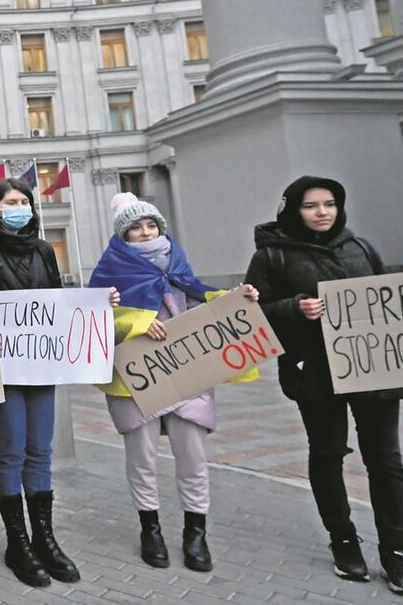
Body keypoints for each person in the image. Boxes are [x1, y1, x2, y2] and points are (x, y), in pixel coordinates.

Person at [244, 176, 403, 598]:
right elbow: (253, 315)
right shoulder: (271, 255)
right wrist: (295, 308)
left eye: (329, 204)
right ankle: (344, 541)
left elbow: (388, 302)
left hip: (374, 371)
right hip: (316, 372)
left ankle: (397, 554)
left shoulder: (361, 248)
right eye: (311, 205)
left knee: (386, 460)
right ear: (293, 209)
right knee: (328, 454)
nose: (322, 212)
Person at [0, 178, 118, 588]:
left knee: (39, 450)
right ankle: (18, 541)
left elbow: (58, 305)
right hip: (2, 369)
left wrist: (99, 304)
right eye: (11, 201)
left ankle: (45, 537)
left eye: (24, 201)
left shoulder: (44, 250)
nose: (19, 207)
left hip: (42, 367)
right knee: (10, 448)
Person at [89, 192, 259, 573]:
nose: (146, 232)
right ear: (124, 235)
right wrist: (134, 322)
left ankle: (195, 532)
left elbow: (203, 299)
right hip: (136, 380)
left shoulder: (178, 264)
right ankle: (150, 529)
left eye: (151, 225)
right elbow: (91, 323)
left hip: (187, 374)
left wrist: (239, 297)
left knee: (193, 456)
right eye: (136, 228)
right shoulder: (107, 272)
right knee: (142, 458)